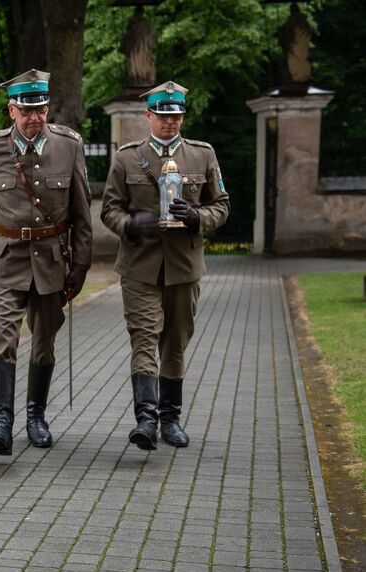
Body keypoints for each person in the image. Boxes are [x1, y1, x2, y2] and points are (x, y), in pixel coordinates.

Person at [0, 69, 93, 456]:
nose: (35, 117)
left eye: (40, 109)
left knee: (43, 341)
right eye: (26, 110)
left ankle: (35, 417)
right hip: (7, 259)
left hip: (52, 261)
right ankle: (1, 423)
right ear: (11, 110)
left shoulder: (69, 146)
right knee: (5, 335)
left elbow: (82, 210)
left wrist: (80, 265)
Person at [100, 81, 230, 451]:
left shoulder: (202, 155)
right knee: (144, 337)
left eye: (176, 116)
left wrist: (198, 217)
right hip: (140, 267)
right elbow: (109, 209)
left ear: (182, 117)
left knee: (175, 342)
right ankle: (146, 418)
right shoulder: (127, 158)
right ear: (149, 116)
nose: (169, 122)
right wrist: (129, 225)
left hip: (184, 266)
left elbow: (221, 204)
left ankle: (170, 419)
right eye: (162, 115)